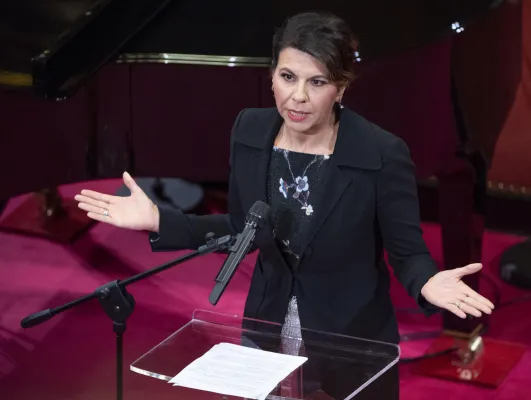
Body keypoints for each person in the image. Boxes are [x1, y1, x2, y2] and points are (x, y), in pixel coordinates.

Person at [75, 11, 494, 399]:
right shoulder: (249, 130)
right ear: (272, 76)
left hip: (349, 342)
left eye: (317, 82)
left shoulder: (380, 153)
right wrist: (157, 221)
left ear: (341, 87)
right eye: (288, 77)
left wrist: (426, 282)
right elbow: (240, 227)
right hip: (267, 329)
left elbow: (407, 253)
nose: (298, 97)